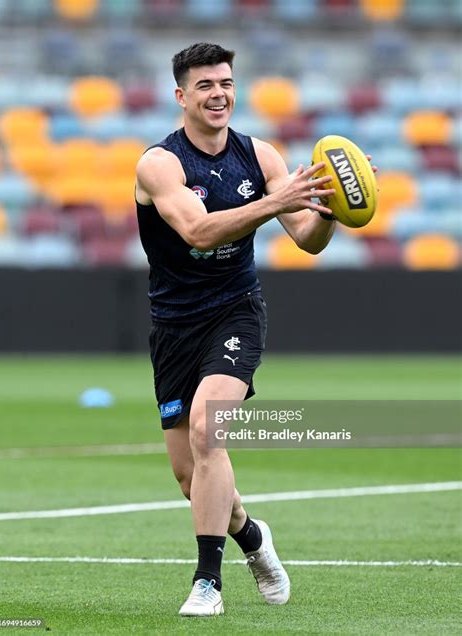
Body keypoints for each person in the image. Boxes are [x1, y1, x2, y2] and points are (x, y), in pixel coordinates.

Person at [135, 42, 337, 617]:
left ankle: (208, 582)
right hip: (174, 323)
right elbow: (199, 231)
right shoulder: (160, 164)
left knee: (208, 429)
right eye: (204, 85)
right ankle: (252, 537)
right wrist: (277, 203)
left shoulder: (261, 156)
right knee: (186, 474)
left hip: (235, 310)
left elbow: (307, 239)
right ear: (181, 96)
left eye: (225, 82)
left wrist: (330, 209)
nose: (218, 93)